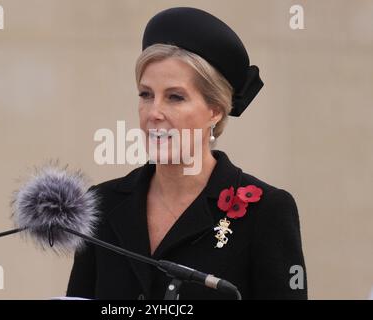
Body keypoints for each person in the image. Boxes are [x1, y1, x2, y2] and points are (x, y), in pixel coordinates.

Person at [66, 7, 307, 300]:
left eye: (175, 97)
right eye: (146, 94)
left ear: (215, 110)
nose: (154, 112)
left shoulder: (266, 211)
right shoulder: (102, 205)